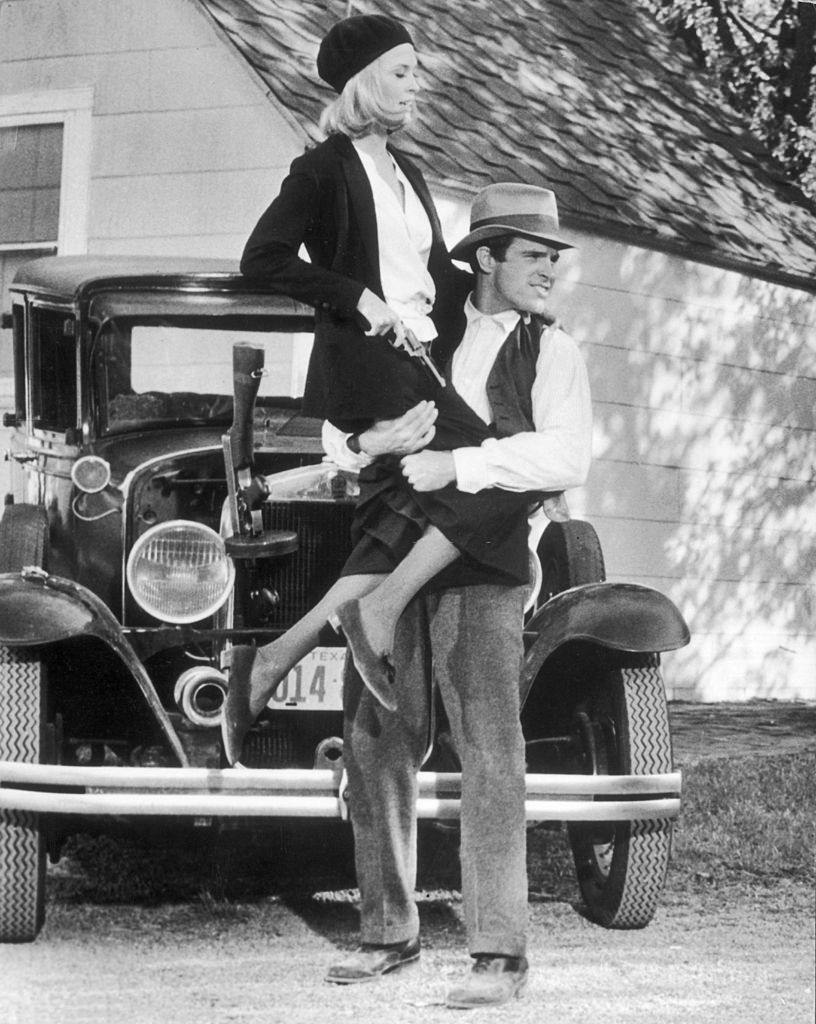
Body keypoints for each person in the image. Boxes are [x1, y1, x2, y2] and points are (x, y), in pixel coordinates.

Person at [223, 14, 549, 763]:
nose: (415, 85)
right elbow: (262, 258)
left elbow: (435, 276)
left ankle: (273, 659)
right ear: (366, 80)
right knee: (510, 469)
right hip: (369, 367)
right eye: (403, 71)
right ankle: (381, 611)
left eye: (415, 72)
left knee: (402, 522)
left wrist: (511, 286)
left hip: (422, 366)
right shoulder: (322, 169)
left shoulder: (409, 171)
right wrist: (355, 297)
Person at [322, 182, 592, 1009]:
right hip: (400, 554)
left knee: (491, 752)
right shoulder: (425, 337)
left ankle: (498, 957)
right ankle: (387, 933)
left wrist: (460, 466)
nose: (549, 268)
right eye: (532, 254)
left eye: (554, 256)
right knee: (375, 739)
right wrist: (372, 444)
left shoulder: (554, 353)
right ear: (485, 258)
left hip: (486, 571)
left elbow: (565, 460)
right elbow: (346, 428)